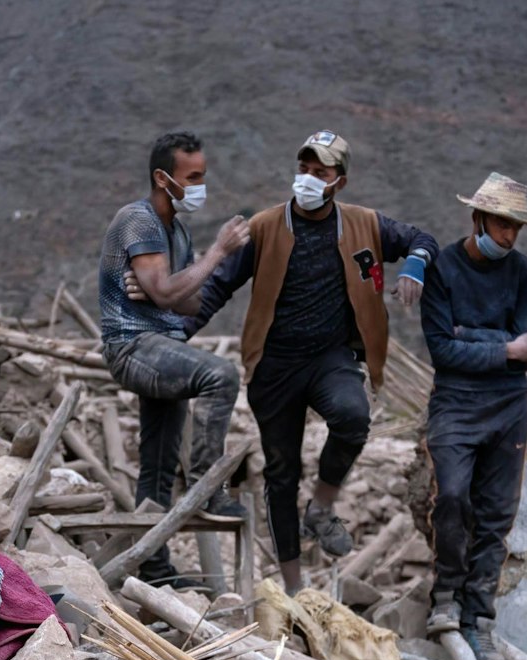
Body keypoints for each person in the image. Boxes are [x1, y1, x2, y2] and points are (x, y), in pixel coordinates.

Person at [179, 130, 437, 594]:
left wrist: (415, 262)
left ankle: (322, 506)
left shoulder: (364, 224)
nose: (309, 179)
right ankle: (293, 586)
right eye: (304, 169)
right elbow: (219, 286)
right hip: (275, 364)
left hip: (331, 357)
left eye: (321, 172)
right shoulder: (265, 227)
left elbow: (421, 238)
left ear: (340, 181)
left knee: (353, 416)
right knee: (281, 473)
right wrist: (177, 333)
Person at [97, 130, 252, 587]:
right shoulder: (139, 221)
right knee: (221, 375)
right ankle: (208, 486)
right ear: (163, 178)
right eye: (194, 177)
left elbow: (188, 303)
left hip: (163, 347)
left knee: (158, 466)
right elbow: (170, 291)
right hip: (133, 346)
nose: (201, 185)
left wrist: (164, 290)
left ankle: (156, 570)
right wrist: (217, 254)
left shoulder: (177, 232)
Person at [420, 172, 527, 660]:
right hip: (455, 402)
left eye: (516, 227)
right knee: (452, 496)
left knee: (496, 514)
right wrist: (501, 346)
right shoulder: (442, 268)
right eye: (501, 223)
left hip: (509, 405)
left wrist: (473, 338)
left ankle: (480, 619)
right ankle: (445, 594)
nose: (509, 236)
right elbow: (441, 351)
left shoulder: (523, 271)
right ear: (477, 217)